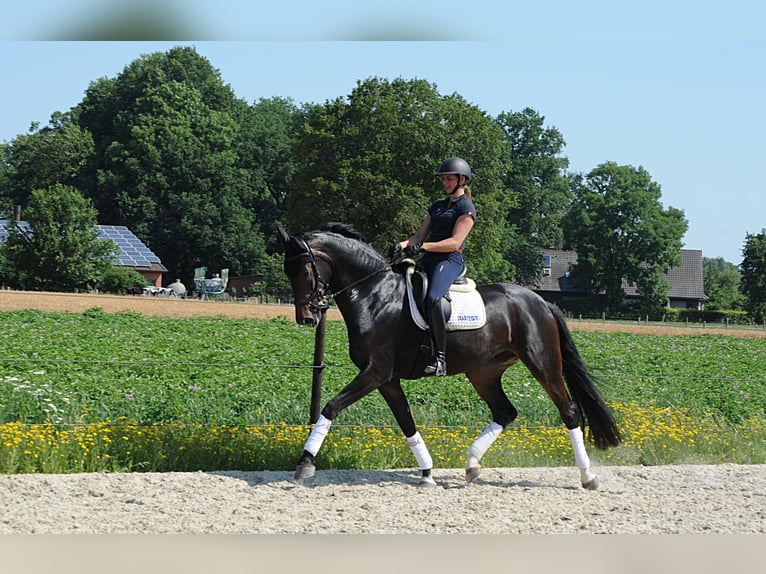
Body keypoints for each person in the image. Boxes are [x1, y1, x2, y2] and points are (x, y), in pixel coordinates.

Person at [389, 157, 477, 376]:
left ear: (462, 179)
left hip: (449, 260)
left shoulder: (466, 207)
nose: (445, 183)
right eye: (444, 179)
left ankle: (440, 359)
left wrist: (422, 246)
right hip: (428, 257)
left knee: (433, 298)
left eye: (449, 179)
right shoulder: (437, 206)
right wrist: (400, 245)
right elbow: (418, 236)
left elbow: (455, 242)